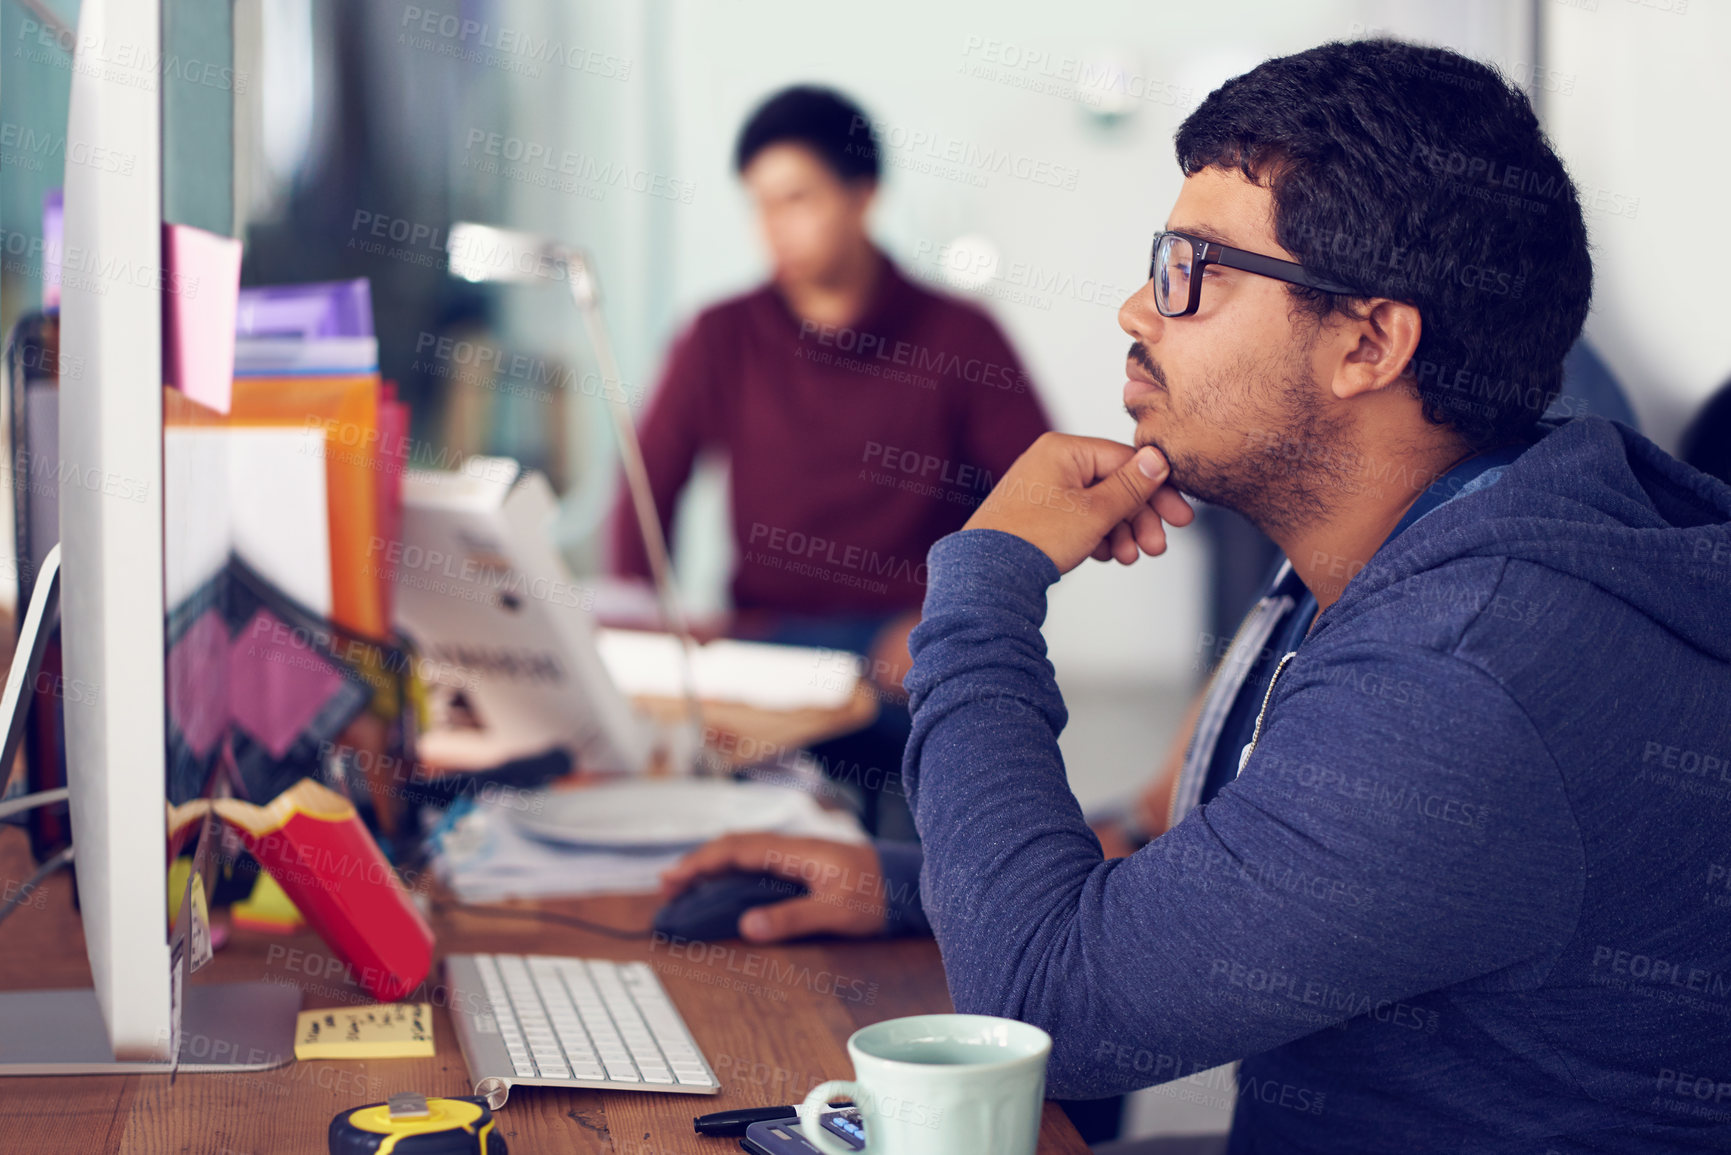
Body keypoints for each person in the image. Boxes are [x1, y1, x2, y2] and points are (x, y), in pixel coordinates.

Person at [661, 39, 1731, 1153]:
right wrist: (919, 889)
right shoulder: (1448, 537)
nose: (1136, 307)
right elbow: (1224, 876)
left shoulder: (1464, 668)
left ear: (1367, 342)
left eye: (1193, 268)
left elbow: (1045, 1012)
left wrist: (983, 581)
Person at [613, 85, 1050, 834]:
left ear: (863, 195)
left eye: (797, 199)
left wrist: (947, 619)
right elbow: (644, 491)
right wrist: (637, 620)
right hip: (763, 633)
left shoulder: (959, 337)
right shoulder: (721, 335)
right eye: (759, 204)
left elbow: (1043, 498)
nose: (773, 227)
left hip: (905, 642)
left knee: (934, 829)